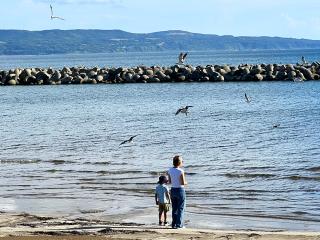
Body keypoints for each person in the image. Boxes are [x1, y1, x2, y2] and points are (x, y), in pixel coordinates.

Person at [167, 155, 187, 229]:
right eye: (182, 161)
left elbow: (170, 181)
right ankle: (179, 225)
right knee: (181, 208)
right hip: (180, 190)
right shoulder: (181, 171)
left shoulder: (169, 170)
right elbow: (182, 183)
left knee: (174, 208)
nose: (183, 162)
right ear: (179, 163)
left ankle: (174, 224)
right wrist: (186, 182)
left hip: (173, 189)